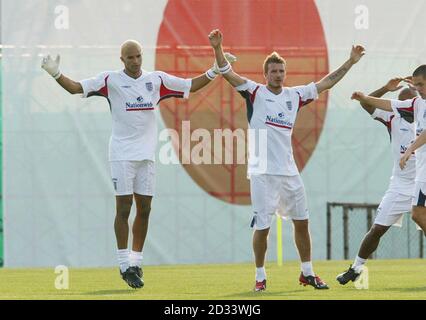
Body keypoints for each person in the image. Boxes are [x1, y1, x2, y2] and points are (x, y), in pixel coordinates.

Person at [41, 40, 231, 289]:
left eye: (138, 56)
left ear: (142, 56)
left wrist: (216, 69)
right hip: (121, 154)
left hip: (146, 156)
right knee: (124, 207)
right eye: (129, 57)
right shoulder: (111, 80)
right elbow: (76, 88)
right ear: (122, 60)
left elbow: (190, 86)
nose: (135, 61)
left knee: (145, 208)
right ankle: (123, 264)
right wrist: (55, 73)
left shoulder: (157, 80)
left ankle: (136, 261)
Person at [208, 29, 365, 291]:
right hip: (262, 172)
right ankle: (260, 276)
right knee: (263, 227)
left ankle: (308, 273)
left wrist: (350, 61)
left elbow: (327, 82)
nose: (278, 75)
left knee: (302, 222)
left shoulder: (295, 96)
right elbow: (227, 72)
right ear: (265, 74)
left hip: (289, 171)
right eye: (273, 71)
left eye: (281, 71)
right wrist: (217, 48)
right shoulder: (255, 92)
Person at [336, 78, 417, 285]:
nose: (401, 108)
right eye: (398, 104)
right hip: (400, 185)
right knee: (378, 229)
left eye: (406, 103)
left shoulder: (423, 116)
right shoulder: (392, 117)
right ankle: (355, 268)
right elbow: (367, 103)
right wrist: (385, 89)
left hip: (422, 183)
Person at [351, 65, 426, 236]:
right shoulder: (414, 106)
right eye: (417, 86)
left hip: (422, 175)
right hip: (411, 179)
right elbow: (390, 104)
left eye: (421, 85)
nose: (418, 90)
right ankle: (357, 264)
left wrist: (409, 150)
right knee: (416, 215)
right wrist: (366, 97)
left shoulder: (420, 104)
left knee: (419, 214)